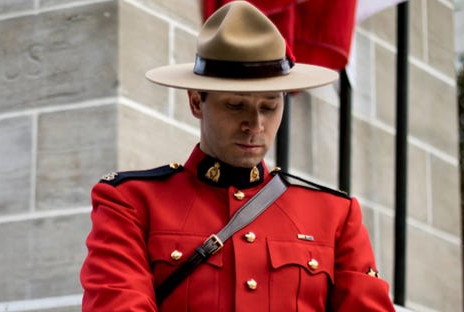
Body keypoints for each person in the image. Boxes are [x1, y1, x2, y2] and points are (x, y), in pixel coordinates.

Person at [79, 1, 395, 311]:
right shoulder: (131, 202)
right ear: (196, 102)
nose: (255, 125)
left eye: (269, 107)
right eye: (235, 106)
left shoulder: (335, 215)